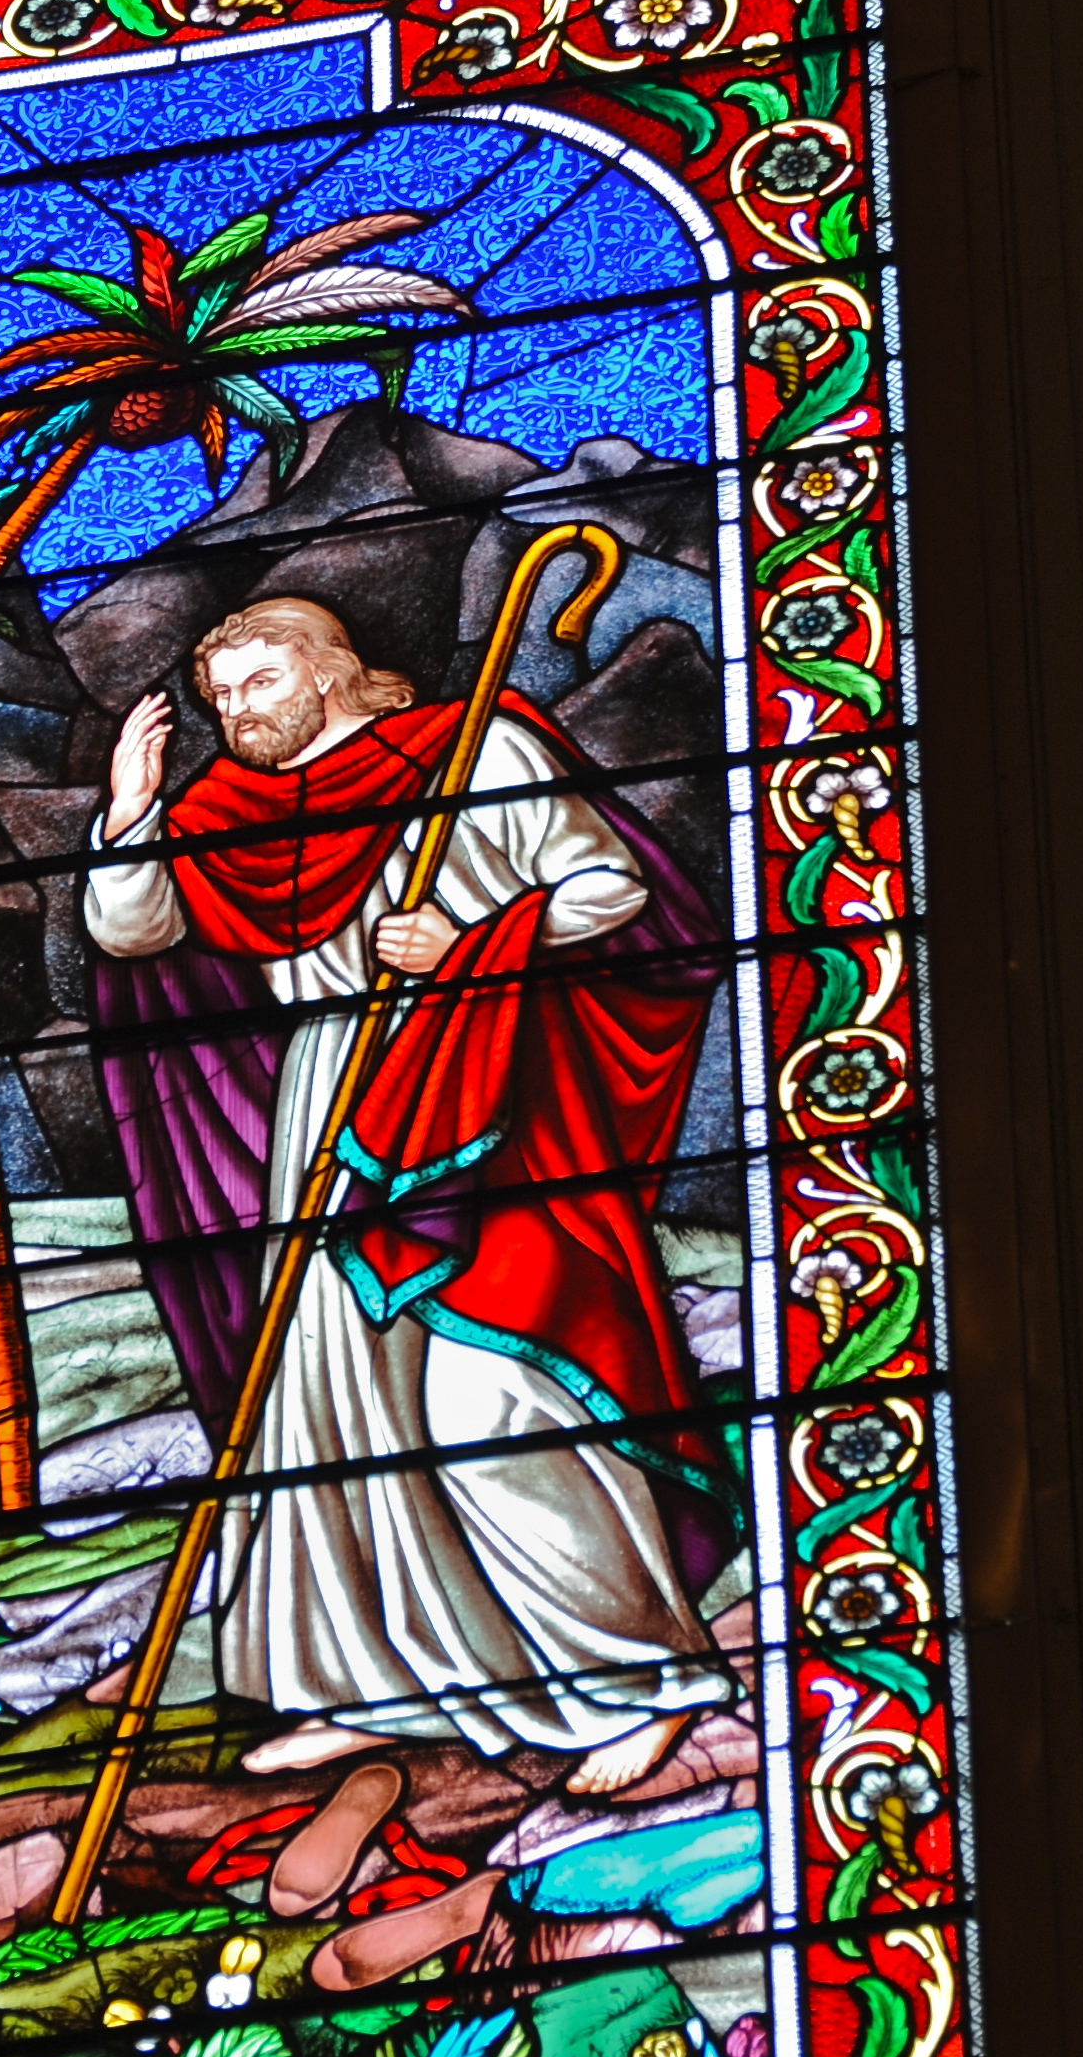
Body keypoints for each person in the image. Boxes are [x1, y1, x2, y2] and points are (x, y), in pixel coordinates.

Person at [84, 597, 736, 1797]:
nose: (237, 713)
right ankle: (364, 1684)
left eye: (260, 683)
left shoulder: (471, 747)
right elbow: (136, 930)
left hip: (486, 1094)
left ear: (332, 676)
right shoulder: (224, 815)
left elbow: (610, 887)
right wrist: (132, 810)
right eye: (221, 696)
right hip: (329, 1102)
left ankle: (644, 1674)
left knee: (494, 1392)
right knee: (326, 1417)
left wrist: (476, 940)